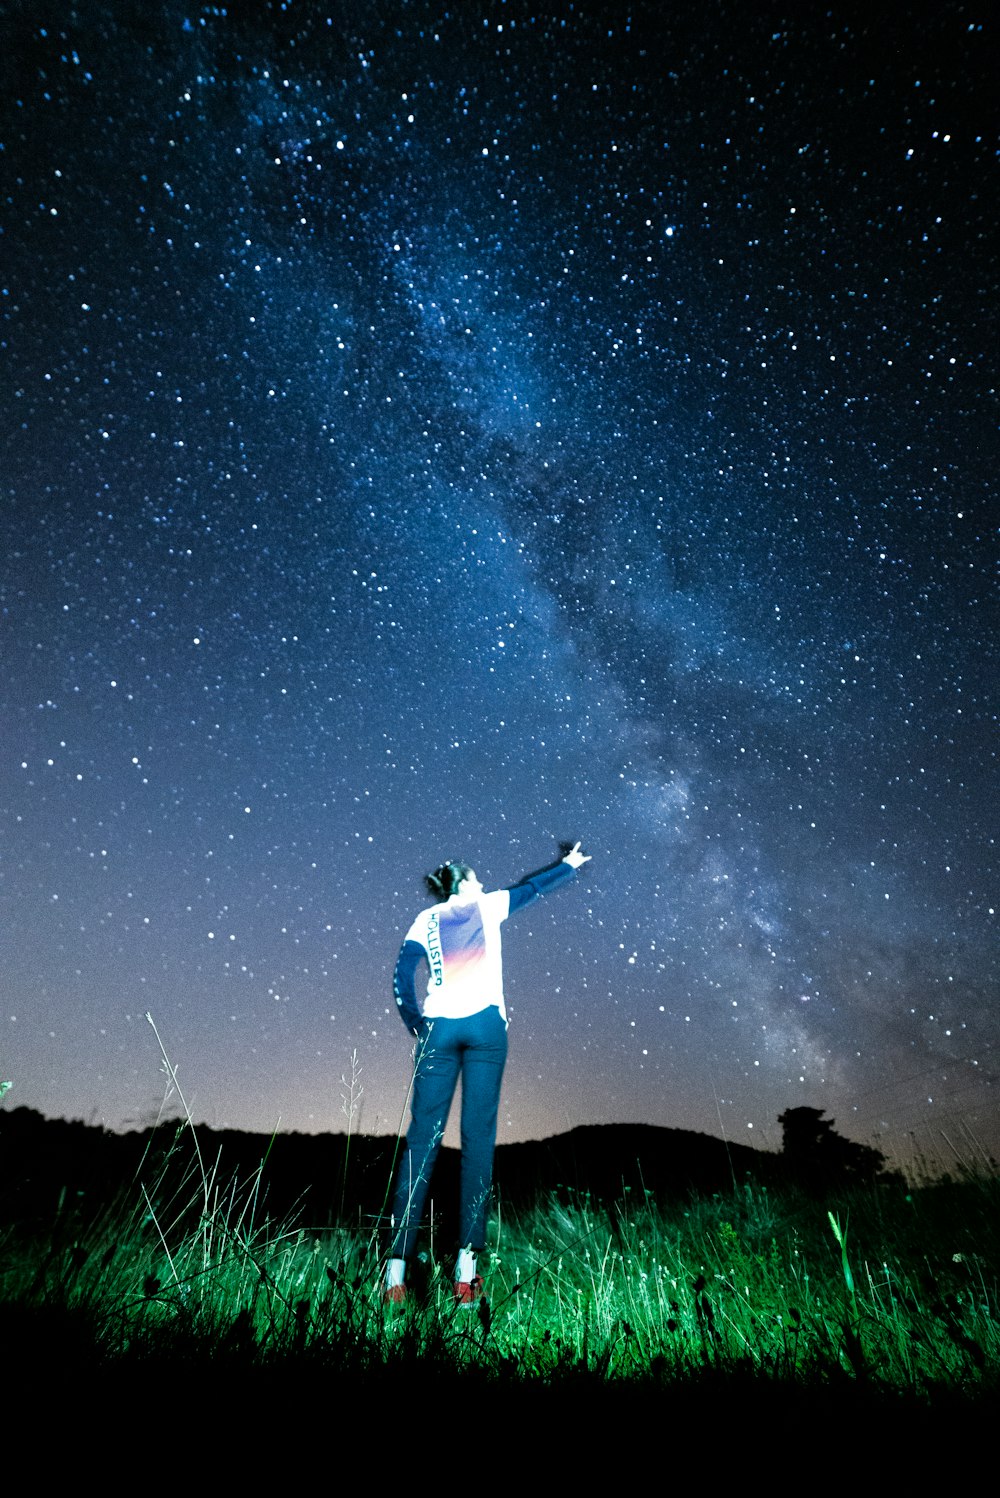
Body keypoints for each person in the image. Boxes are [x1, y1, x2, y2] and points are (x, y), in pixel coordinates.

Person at [384, 841, 591, 1305]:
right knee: (477, 1143)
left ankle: (394, 1274)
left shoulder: (424, 920)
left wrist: (418, 1024)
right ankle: (466, 1273)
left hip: (438, 1030)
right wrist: (570, 865)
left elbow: (401, 977)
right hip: (484, 1030)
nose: (482, 881)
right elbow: (532, 888)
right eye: (477, 876)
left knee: (421, 1144)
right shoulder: (488, 904)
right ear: (466, 883)